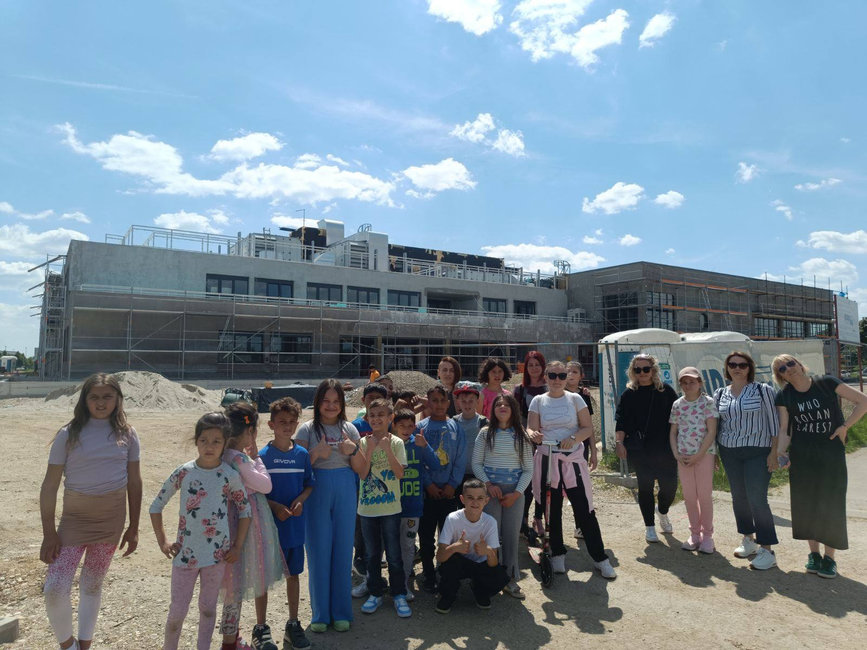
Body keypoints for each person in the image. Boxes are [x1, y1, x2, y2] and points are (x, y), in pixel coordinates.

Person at [40, 373, 142, 650]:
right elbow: (49, 486)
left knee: (93, 584)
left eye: (107, 396)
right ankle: (68, 645)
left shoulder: (128, 434)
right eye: (94, 397)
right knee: (54, 588)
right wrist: (49, 533)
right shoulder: (68, 434)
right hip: (74, 521)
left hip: (110, 522)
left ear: (118, 399)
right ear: (84, 400)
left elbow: (135, 482)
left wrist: (134, 527)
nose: (101, 402)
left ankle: (85, 645)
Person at [150, 412, 251, 650]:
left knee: (208, 609)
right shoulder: (184, 472)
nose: (209, 446)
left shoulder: (229, 475)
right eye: (204, 440)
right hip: (185, 556)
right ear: (196, 441)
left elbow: (245, 511)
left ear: (225, 443)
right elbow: (156, 507)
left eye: (216, 441)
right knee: (177, 613)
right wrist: (163, 542)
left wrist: (237, 546)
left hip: (217, 557)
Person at [773, 354, 867, 579]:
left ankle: (829, 558)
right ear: (781, 376)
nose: (788, 369)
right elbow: (785, 429)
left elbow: (863, 401)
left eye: (790, 363)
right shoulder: (784, 395)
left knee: (831, 504)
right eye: (782, 368)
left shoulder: (826, 383)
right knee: (806, 505)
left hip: (831, 455)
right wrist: (781, 452)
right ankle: (814, 555)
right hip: (802, 456)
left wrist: (845, 426)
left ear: (799, 364)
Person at [529, 360, 616, 579]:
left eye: (561, 375)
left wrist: (574, 438)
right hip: (548, 459)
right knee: (552, 510)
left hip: (572, 460)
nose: (557, 380)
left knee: (584, 509)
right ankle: (558, 554)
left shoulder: (575, 399)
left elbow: (587, 427)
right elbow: (531, 427)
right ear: (546, 377)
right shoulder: (538, 401)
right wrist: (533, 434)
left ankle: (600, 558)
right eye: (552, 375)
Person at [293, 379, 366, 633]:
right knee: (318, 552)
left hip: (345, 490)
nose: (331, 406)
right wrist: (315, 454)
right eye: (326, 401)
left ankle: (342, 612)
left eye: (336, 401)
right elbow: (297, 470)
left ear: (342, 404)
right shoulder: (306, 430)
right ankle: (320, 614)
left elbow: (363, 471)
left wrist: (353, 450)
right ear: (318, 402)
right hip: (317, 492)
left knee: (343, 552)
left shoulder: (350, 429)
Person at [219, 402, 288, 650]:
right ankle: (230, 643)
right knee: (236, 586)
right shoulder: (240, 459)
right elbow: (265, 486)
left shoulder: (221, 455)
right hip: (246, 527)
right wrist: (257, 458)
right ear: (250, 432)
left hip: (227, 523)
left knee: (231, 584)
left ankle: (232, 637)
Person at [713, 351, 780, 570]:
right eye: (732, 364)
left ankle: (767, 549)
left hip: (758, 451)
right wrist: (714, 453)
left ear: (749, 368)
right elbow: (716, 426)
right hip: (729, 451)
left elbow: (774, 423)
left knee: (757, 498)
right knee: (739, 497)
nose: (737, 368)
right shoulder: (720, 393)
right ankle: (748, 539)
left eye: (742, 365)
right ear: (727, 368)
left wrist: (774, 452)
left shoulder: (763, 390)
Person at [260, 397, 314, 650]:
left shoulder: (302, 455)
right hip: (269, 531)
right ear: (271, 424)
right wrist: (274, 507)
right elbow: (256, 493)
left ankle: (293, 624)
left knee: (294, 576)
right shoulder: (261, 457)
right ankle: (261, 627)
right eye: (282, 421)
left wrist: (301, 500)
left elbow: (309, 485)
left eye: (292, 421)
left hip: (294, 529)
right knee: (263, 580)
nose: (287, 426)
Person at [354, 398, 412, 618]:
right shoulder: (362, 442)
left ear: (390, 418)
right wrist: (369, 450)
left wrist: (387, 450)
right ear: (367, 418)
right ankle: (375, 592)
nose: (376, 419)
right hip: (367, 510)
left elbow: (399, 473)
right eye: (372, 415)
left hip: (390, 509)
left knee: (394, 554)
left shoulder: (396, 442)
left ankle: (398, 594)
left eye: (381, 415)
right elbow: (362, 474)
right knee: (372, 555)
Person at [472, 394, 533, 599]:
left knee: (511, 536)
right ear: (493, 410)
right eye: (498, 404)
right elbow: (477, 463)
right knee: (491, 536)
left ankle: (510, 578)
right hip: (490, 493)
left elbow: (528, 469)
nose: (502, 407)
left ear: (514, 409)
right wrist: (488, 484)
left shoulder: (521, 435)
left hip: (514, 493)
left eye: (507, 404)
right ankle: (491, 577)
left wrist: (516, 494)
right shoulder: (485, 434)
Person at [614, 354, 678, 544]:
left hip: (665, 448)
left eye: (646, 369)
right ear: (632, 372)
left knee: (670, 487)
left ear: (653, 370)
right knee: (645, 488)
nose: (642, 373)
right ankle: (649, 526)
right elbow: (621, 422)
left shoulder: (666, 391)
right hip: (640, 449)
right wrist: (619, 443)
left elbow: (679, 416)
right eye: (637, 370)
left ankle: (662, 511)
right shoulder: (628, 395)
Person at [417, 384, 467, 593]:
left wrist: (452, 485)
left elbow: (460, 459)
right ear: (428, 402)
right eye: (434, 400)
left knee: (447, 536)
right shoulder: (421, 427)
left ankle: (445, 572)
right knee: (426, 537)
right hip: (427, 494)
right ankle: (428, 573)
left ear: (448, 403)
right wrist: (428, 484)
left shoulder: (456, 427)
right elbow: (418, 460)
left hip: (449, 493)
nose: (438, 404)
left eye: (442, 400)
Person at [434, 479, 510, 614]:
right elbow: (440, 557)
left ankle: (480, 590)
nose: (475, 502)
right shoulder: (452, 518)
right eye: (470, 498)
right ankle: (448, 595)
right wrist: (454, 547)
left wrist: (488, 551)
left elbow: (494, 563)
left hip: (480, 564)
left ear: (486, 501)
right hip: (459, 563)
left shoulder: (490, 522)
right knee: (449, 565)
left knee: (500, 577)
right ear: (462, 499)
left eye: (480, 498)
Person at [668, 367, 719, 553]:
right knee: (689, 496)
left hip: (704, 455)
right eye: (684, 382)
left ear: (700, 383)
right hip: (683, 456)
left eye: (692, 381)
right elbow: (673, 432)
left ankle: (708, 536)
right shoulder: (677, 404)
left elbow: (711, 431)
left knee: (704, 496)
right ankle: (695, 534)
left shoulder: (708, 403)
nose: (688, 385)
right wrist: (676, 453)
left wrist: (699, 455)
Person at [392, 408, 438, 599]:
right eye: (401, 425)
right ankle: (392, 584)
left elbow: (435, 465)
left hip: (413, 506)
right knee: (391, 547)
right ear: (394, 425)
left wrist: (425, 446)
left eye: (410, 426)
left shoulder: (418, 443)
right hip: (390, 507)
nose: (406, 429)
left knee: (408, 546)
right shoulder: (389, 443)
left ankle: (403, 585)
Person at [513, 350, 547, 543]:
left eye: (537, 364)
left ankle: (538, 518)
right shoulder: (520, 389)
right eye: (530, 365)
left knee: (543, 481)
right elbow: (517, 417)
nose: (534, 368)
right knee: (526, 481)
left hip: (547, 440)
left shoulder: (550, 386)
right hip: (526, 441)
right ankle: (523, 518)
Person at [452, 381, 488, 487]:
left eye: (471, 401)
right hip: (457, 473)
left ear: (477, 401)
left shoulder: (484, 422)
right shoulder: (453, 422)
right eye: (463, 401)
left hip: (478, 473)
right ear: (458, 402)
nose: (467, 404)